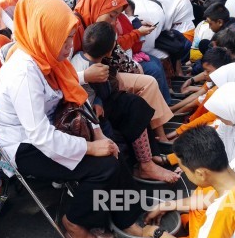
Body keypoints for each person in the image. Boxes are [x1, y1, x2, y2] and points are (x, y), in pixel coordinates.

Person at [0, 0, 149, 238]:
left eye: (69, 38)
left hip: (53, 126)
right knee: (104, 166)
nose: (68, 47)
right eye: (63, 39)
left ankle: (126, 217)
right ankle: (74, 221)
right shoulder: (23, 73)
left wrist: (98, 134)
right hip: (25, 145)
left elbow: (75, 97)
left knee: (112, 149)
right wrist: (90, 147)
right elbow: (39, 135)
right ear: (44, 33)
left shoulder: (47, 55)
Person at [72, 21, 179, 182]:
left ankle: (150, 157)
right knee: (135, 106)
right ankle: (146, 164)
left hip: (93, 106)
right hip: (88, 116)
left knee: (135, 103)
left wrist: (99, 101)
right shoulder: (98, 69)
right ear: (109, 50)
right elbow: (104, 91)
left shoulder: (77, 57)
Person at [73, 0, 174, 141]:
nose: (114, 22)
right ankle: (157, 140)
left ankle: (159, 135)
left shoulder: (102, 26)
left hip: (103, 79)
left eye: (117, 16)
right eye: (111, 15)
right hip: (89, 87)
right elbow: (64, 73)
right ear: (98, 6)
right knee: (143, 90)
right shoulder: (74, 29)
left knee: (149, 81)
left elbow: (116, 52)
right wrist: (85, 76)